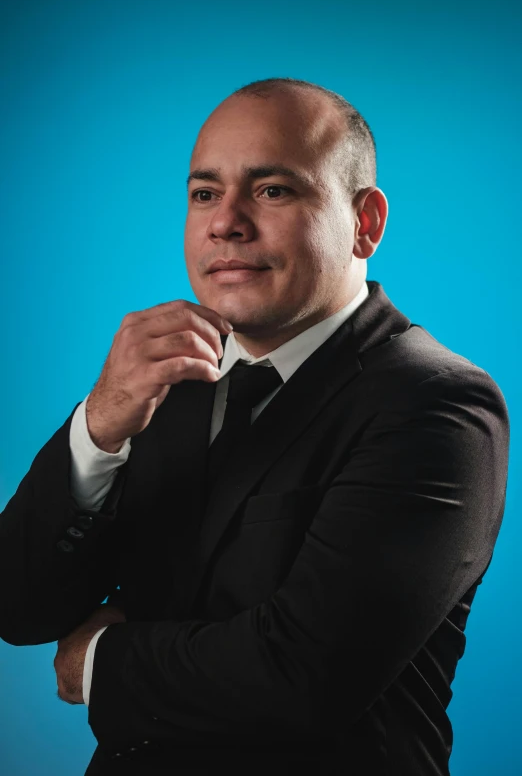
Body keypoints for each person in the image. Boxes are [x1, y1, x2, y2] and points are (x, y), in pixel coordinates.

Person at [0, 77, 510, 776]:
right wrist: (100, 427)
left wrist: (100, 661)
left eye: (272, 190)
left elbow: (301, 677)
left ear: (366, 223)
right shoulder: (163, 381)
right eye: (205, 193)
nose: (225, 222)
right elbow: (18, 606)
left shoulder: (438, 405)